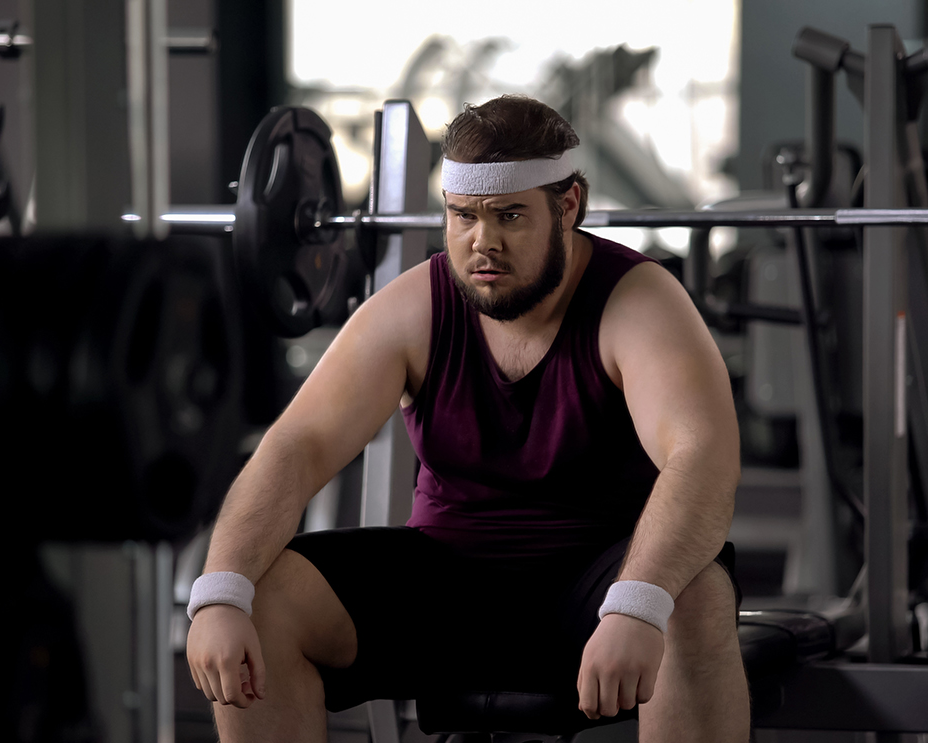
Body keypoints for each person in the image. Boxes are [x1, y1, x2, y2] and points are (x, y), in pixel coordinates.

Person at [185, 94, 748, 742]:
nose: (483, 242)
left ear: (568, 206)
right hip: (446, 588)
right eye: (463, 216)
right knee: (260, 602)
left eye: (510, 215)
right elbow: (299, 444)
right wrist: (220, 589)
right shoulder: (416, 308)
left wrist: (638, 601)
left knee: (694, 598)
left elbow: (701, 458)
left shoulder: (637, 303)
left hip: (598, 585)